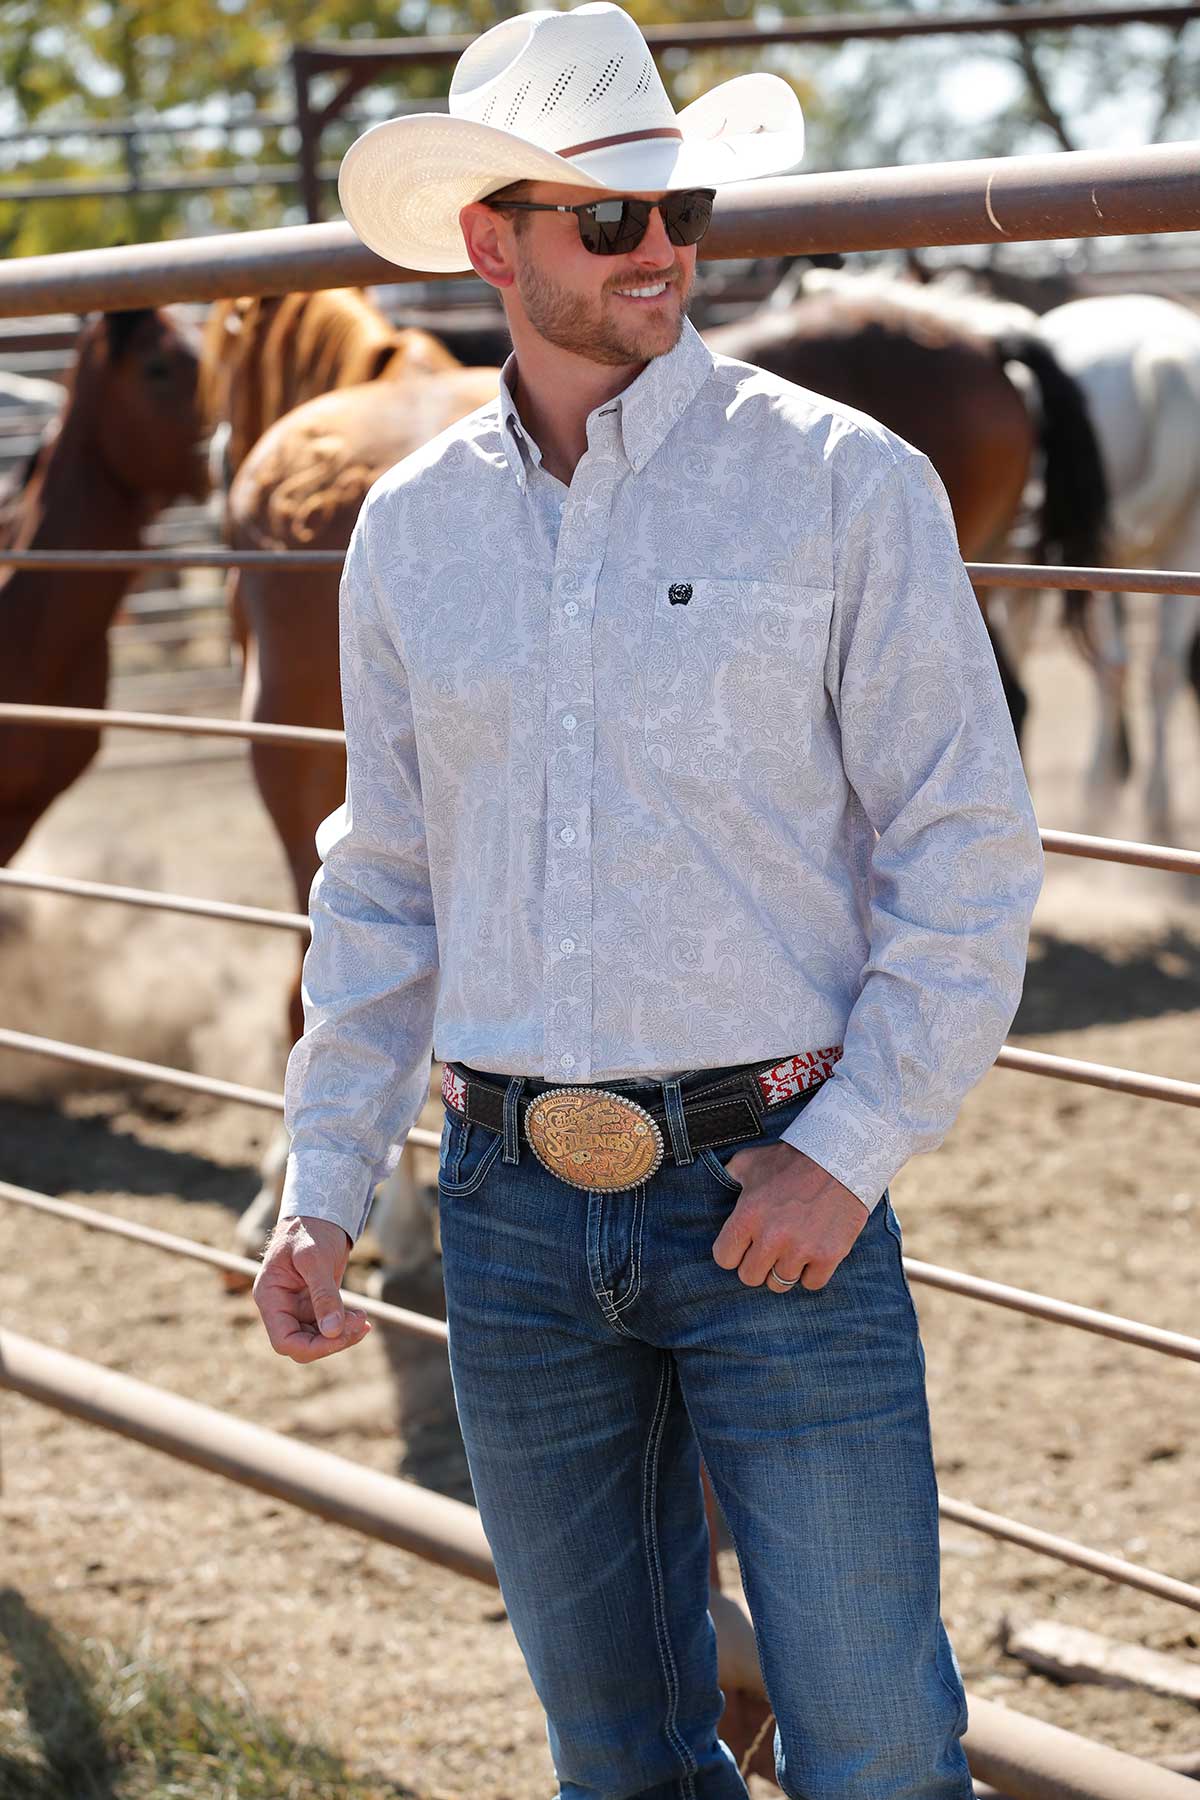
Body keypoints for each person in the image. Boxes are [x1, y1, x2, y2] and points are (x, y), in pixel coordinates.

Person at [252, 6, 1044, 1796]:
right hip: (511, 1214)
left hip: (779, 1195)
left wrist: (850, 1153)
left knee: (877, 1747)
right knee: (615, 1755)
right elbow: (382, 884)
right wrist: (319, 1185)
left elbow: (971, 857)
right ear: (493, 240)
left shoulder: (848, 486)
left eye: (680, 206)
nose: (664, 249)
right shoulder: (409, 529)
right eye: (609, 219)